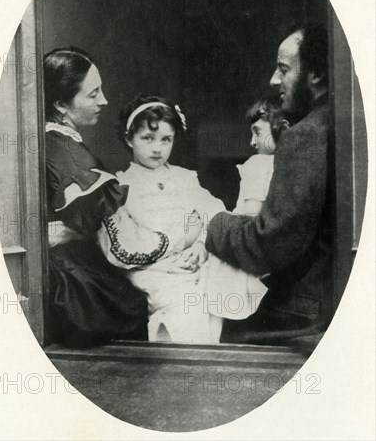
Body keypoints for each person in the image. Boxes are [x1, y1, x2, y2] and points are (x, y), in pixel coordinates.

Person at [206, 24, 334, 346]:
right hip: (327, 303)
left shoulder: (305, 135)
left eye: (283, 69)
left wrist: (212, 222)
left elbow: (268, 244)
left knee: (214, 323)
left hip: (303, 316)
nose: (274, 80)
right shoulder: (335, 122)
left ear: (316, 72)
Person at [44, 48, 171, 348]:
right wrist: (176, 242)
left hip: (69, 264)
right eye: (93, 94)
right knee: (139, 303)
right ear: (61, 103)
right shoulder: (68, 155)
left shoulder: (55, 141)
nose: (104, 100)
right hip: (73, 281)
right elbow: (122, 247)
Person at [97, 95, 226, 343]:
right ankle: (179, 362)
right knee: (184, 303)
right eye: (147, 138)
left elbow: (213, 211)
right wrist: (166, 264)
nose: (157, 148)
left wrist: (202, 244)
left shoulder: (185, 178)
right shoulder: (121, 186)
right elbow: (124, 245)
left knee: (217, 292)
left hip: (191, 261)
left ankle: (206, 359)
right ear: (129, 139)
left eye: (166, 140)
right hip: (150, 270)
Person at [203, 96, 288, 323]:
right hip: (273, 253)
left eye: (257, 132)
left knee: (212, 298)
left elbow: (248, 218)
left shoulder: (258, 165)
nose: (252, 142)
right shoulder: (289, 166)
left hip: (246, 249)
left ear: (283, 128)